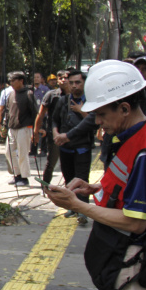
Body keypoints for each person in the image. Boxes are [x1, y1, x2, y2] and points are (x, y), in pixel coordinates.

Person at [44, 60, 146, 290]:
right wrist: (96, 188)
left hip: (131, 259)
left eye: (101, 114)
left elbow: (135, 221)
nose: (97, 122)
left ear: (124, 108)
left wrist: (78, 205)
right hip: (129, 256)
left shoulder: (145, 151)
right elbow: (138, 188)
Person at [52, 69, 97, 225]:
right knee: (69, 178)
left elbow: (94, 122)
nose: (74, 86)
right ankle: (72, 206)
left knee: (82, 180)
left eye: (78, 82)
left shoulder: (91, 101)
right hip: (65, 147)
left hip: (82, 147)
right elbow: (54, 120)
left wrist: (81, 111)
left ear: (84, 83)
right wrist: (55, 133)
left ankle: (83, 210)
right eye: (71, 83)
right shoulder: (63, 101)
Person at [34, 69, 70, 183]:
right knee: (51, 162)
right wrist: (36, 132)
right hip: (54, 134)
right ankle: (45, 186)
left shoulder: (76, 95)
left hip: (72, 134)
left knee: (68, 163)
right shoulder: (51, 95)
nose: (63, 80)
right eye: (61, 78)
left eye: (66, 78)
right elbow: (41, 114)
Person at [5, 71, 37, 186]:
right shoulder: (11, 94)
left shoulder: (28, 94)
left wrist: (36, 129)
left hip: (24, 127)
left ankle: (24, 177)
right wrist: (4, 124)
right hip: (12, 127)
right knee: (9, 152)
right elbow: (8, 110)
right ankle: (16, 175)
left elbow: (35, 112)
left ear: (21, 81)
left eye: (13, 80)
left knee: (22, 153)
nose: (11, 83)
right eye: (10, 81)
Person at [31, 72, 50, 156]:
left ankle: (43, 150)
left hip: (43, 114)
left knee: (43, 132)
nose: (36, 79)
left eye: (38, 77)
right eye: (34, 77)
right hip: (33, 114)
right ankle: (33, 150)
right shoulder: (30, 89)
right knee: (33, 131)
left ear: (41, 79)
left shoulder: (45, 89)